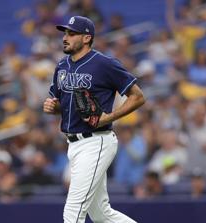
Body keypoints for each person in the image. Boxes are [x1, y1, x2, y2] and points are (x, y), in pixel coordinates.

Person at [43, 16, 145, 223]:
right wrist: (53, 107)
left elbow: (138, 96)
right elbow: (64, 105)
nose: (65, 37)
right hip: (73, 143)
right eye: (65, 33)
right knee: (101, 214)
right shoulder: (62, 66)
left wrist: (110, 116)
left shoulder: (104, 64)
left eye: (72, 33)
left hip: (96, 141)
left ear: (87, 37)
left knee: (73, 211)